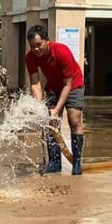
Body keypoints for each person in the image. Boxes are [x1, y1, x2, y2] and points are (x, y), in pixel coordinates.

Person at [25, 24, 86, 175]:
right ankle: (54, 163)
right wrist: (38, 105)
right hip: (53, 86)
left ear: (47, 40)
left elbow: (67, 85)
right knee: (50, 123)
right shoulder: (30, 57)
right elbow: (35, 83)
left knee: (74, 120)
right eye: (32, 46)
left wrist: (57, 109)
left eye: (39, 45)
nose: (36, 49)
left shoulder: (61, 51)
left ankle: (76, 163)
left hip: (73, 85)